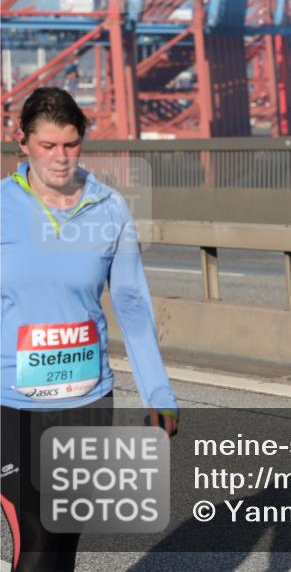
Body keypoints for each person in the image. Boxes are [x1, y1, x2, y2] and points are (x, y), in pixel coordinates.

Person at [1, 87, 179, 571]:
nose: (60, 158)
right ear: (22, 143)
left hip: (87, 400)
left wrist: (158, 392)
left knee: (61, 544)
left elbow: (132, 305)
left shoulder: (110, 208)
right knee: (35, 543)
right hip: (13, 406)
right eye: (47, 146)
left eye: (71, 144)